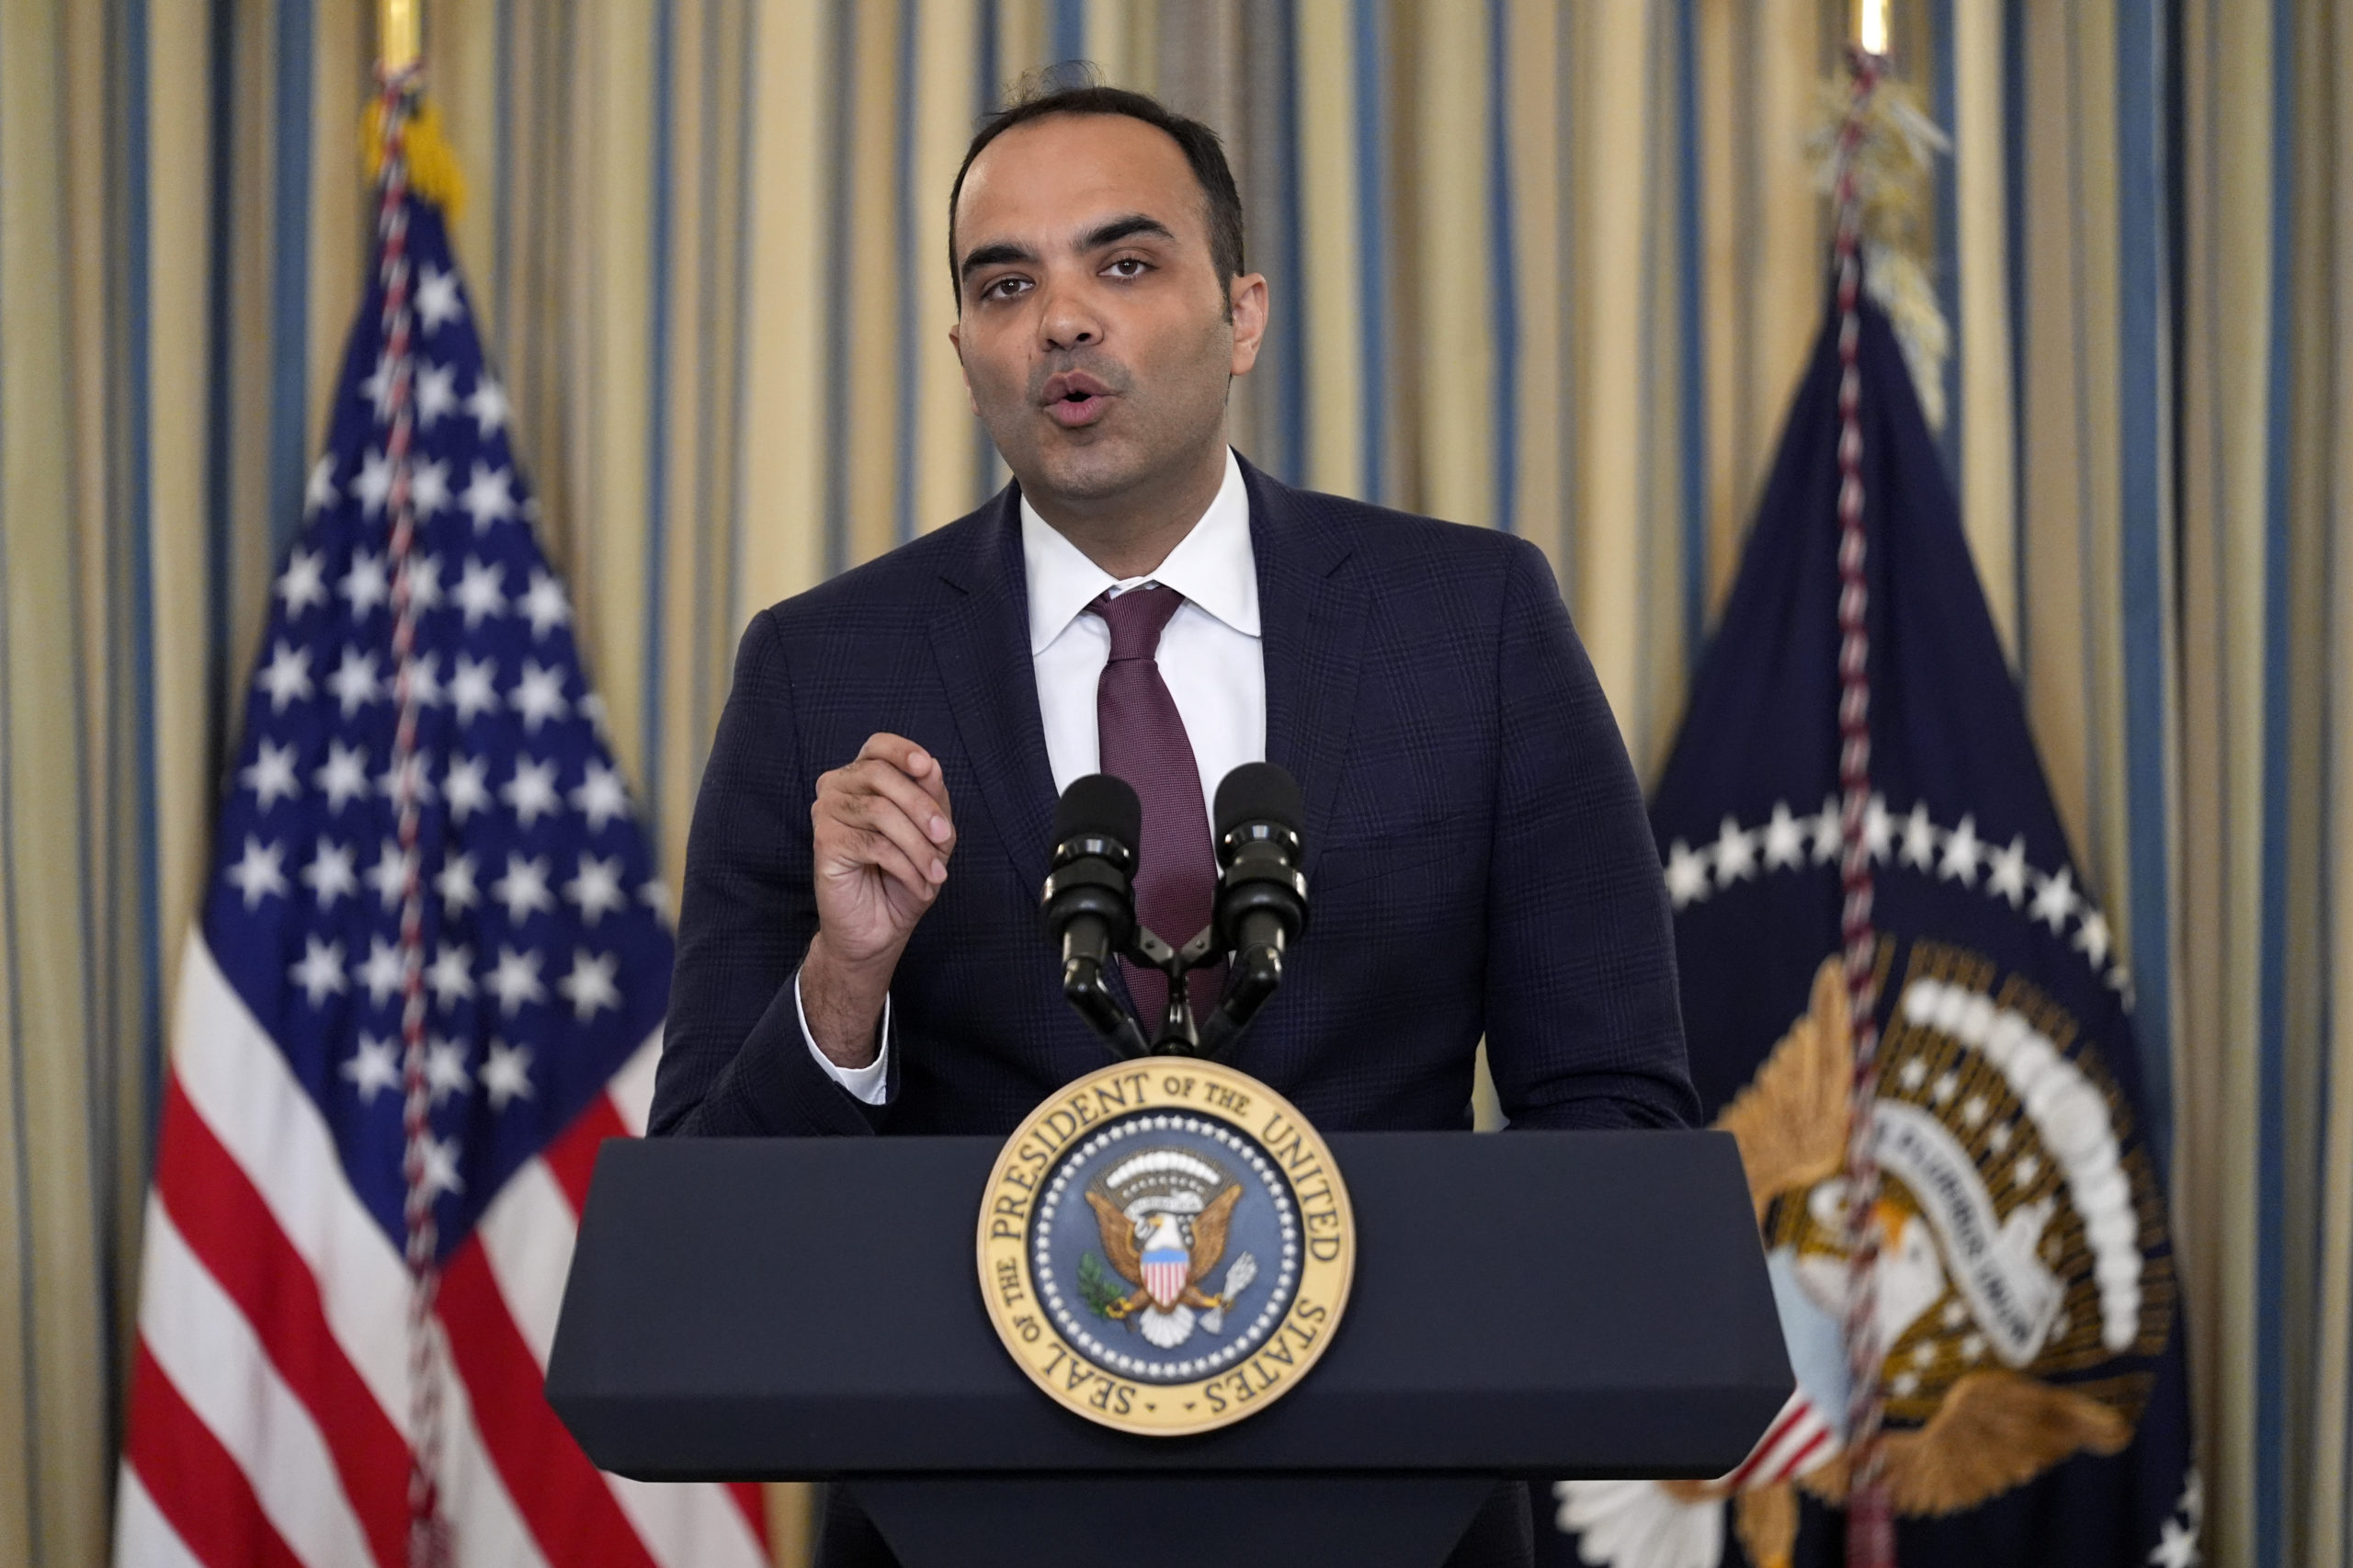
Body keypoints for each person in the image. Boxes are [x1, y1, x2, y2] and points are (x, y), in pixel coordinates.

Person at [650, 80, 1697, 1568]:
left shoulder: (1469, 627)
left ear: (1243, 313)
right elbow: (705, 1211)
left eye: (1123, 264)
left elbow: (1616, 1114)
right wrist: (843, 988)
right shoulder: (827, 670)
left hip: (1388, 1517)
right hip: (972, 1524)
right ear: (964, 352)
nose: (1062, 319)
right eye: (1005, 284)